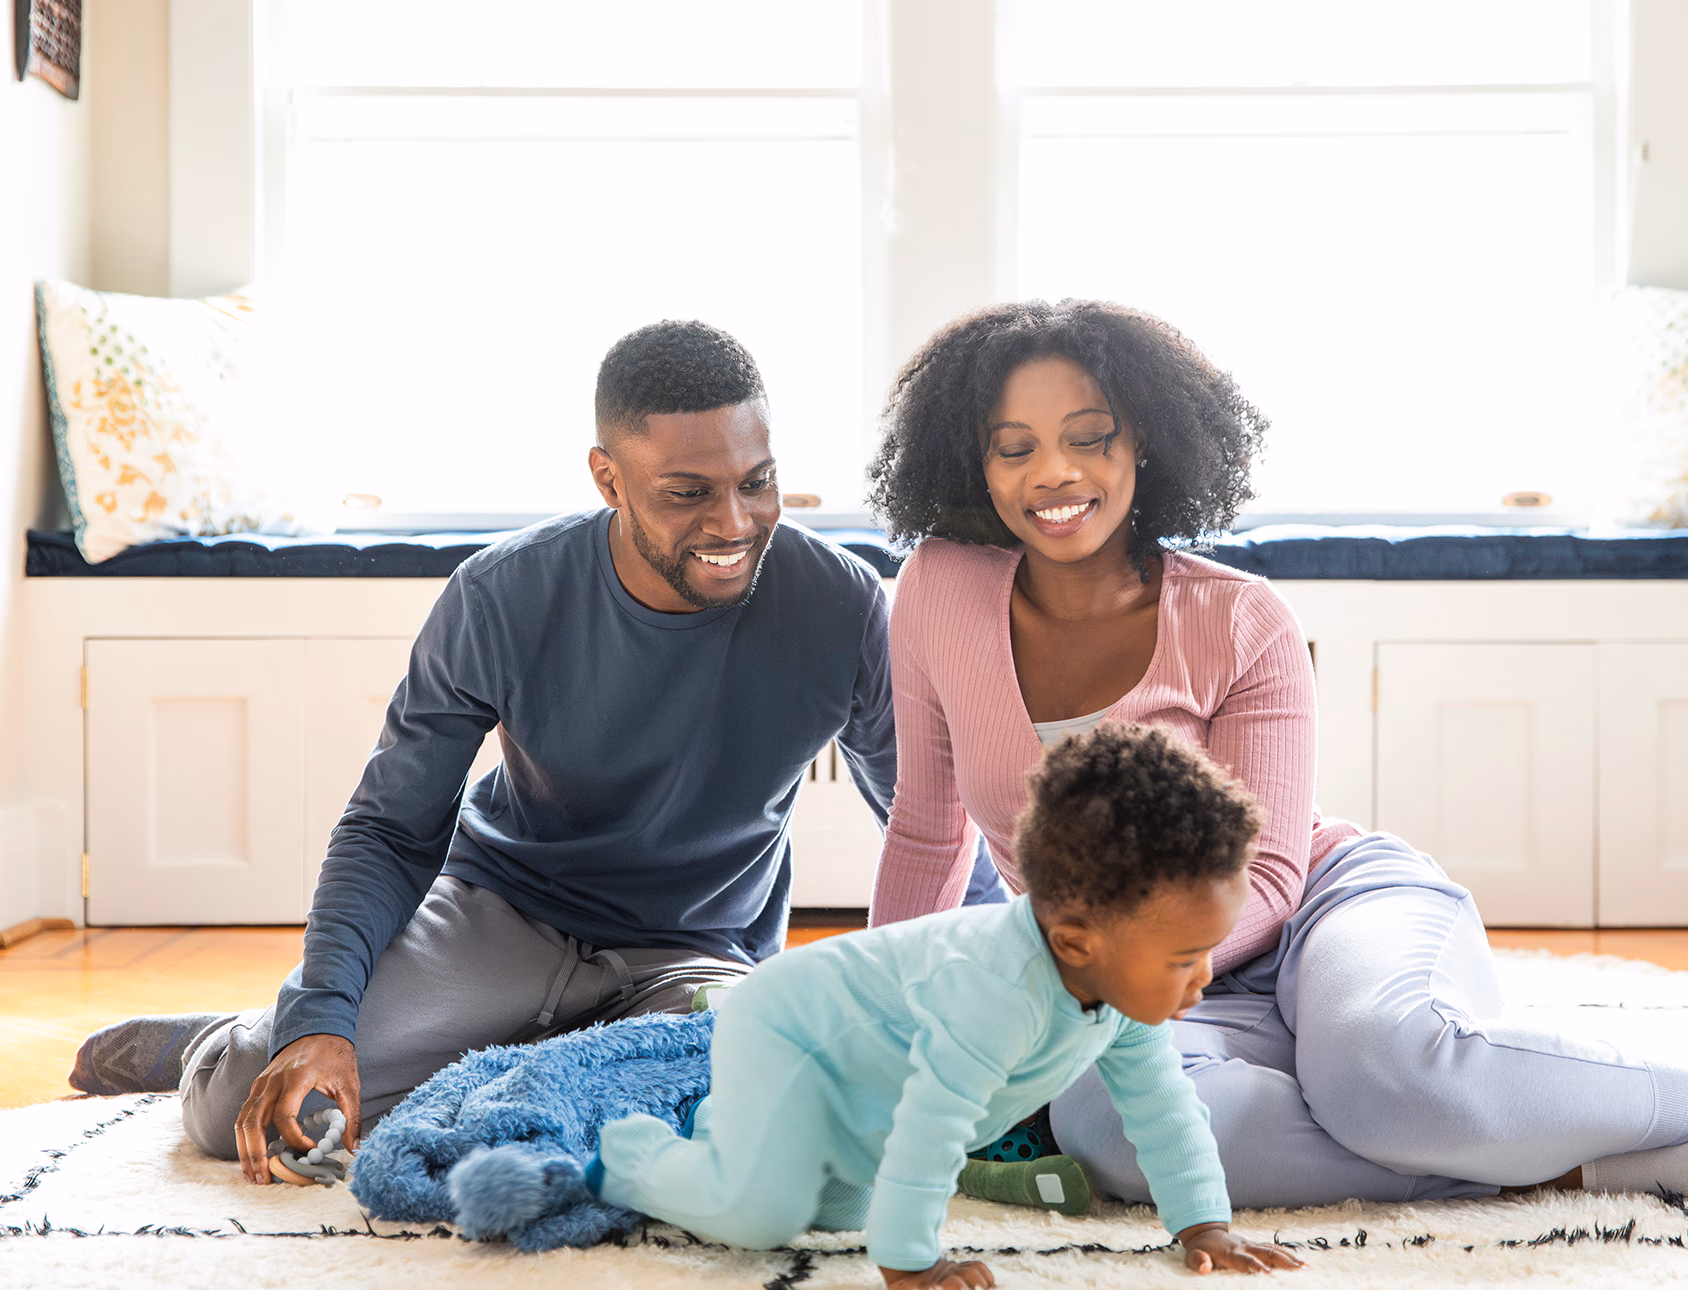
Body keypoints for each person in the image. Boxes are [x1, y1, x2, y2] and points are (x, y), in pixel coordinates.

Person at [865, 298, 1688, 1212]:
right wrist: (888, 1027)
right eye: (1014, 448)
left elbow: (1262, 871)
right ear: (971, 463)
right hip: (1140, 983)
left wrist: (1127, 965)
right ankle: (1582, 1159)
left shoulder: (1237, 618)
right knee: (1113, 1130)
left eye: (1089, 438)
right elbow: (923, 828)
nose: (1052, 474)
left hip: (1319, 908)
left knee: (1385, 1073)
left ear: (1148, 445)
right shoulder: (936, 590)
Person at [68, 319, 1002, 1184]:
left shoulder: (844, 605)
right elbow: (390, 829)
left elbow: (932, 826)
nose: (733, 522)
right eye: (688, 494)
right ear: (607, 478)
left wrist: (1027, 973)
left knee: (739, 1116)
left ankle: (464, 1052)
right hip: (504, 914)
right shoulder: (501, 595)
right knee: (256, 1112)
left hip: (695, 954)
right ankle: (230, 1041)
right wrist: (320, 1023)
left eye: (755, 481)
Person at [586, 724, 1305, 1287]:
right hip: (791, 1032)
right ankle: (630, 1152)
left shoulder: (1115, 990)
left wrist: (1204, 1224)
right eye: (1185, 958)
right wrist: (910, 1262)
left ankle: (731, 1130)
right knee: (758, 1215)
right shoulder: (996, 991)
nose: (1207, 976)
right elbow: (931, 1129)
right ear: (1078, 942)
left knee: (841, 1209)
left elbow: (1162, 1105)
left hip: (866, 1093)